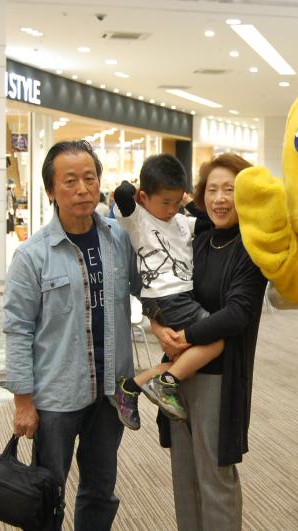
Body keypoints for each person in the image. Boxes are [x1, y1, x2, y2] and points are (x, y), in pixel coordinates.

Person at [2, 140, 140, 531]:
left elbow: (143, 290)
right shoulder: (32, 255)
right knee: (46, 491)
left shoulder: (118, 238)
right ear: (51, 191)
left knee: (101, 489)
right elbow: (18, 328)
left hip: (111, 392)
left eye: (89, 178)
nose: (82, 189)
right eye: (70, 181)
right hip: (57, 396)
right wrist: (23, 401)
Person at [150, 153, 267, 531]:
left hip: (219, 377)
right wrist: (158, 327)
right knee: (184, 473)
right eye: (213, 189)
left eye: (229, 190)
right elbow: (167, 286)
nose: (219, 199)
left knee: (215, 475)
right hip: (179, 374)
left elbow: (238, 314)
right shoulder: (198, 240)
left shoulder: (251, 248)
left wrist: (185, 336)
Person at [110, 154, 222, 426]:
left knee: (184, 357)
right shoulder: (139, 220)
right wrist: (136, 194)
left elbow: (209, 222)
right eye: (165, 202)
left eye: (176, 202)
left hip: (176, 298)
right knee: (217, 338)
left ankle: (131, 387)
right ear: (145, 198)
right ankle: (165, 384)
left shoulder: (182, 220)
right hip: (166, 298)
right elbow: (122, 194)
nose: (171, 209)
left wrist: (188, 203)